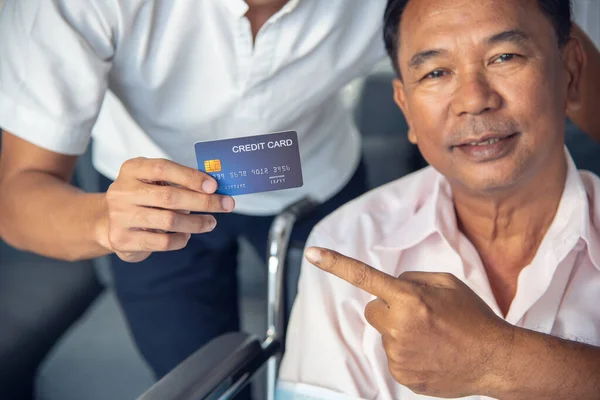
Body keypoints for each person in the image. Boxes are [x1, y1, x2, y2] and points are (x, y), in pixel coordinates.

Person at [0, 0, 597, 389]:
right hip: (144, 193)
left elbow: (529, 45)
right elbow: (18, 194)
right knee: (192, 371)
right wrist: (108, 219)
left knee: (350, 296)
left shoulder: (354, 231)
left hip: (315, 177)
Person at [279, 0, 600, 399]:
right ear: (406, 109)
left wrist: (494, 359)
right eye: (436, 72)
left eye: (504, 56)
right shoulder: (348, 244)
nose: (474, 100)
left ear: (570, 71)